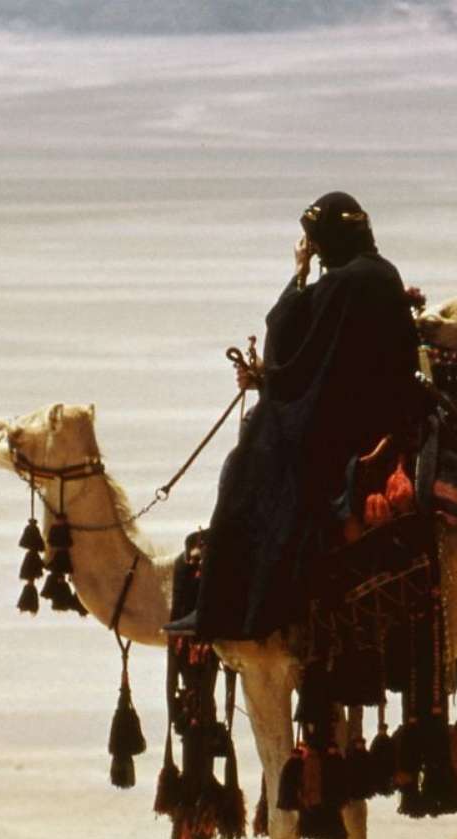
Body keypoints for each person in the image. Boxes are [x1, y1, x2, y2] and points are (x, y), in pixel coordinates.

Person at [163, 192, 420, 638]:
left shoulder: (343, 283)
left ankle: (230, 608)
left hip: (349, 420)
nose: (313, 249)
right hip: (380, 410)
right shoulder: (381, 273)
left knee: (249, 460)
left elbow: (285, 339)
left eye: (315, 241)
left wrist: (299, 274)